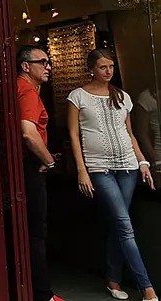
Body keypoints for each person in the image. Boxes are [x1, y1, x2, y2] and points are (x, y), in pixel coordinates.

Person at [68, 49, 156, 301]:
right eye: (103, 67)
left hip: (128, 167)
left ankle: (113, 280)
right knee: (124, 225)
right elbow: (74, 135)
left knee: (120, 224)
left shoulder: (122, 96)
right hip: (99, 168)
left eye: (111, 66)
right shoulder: (78, 96)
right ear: (91, 69)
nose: (108, 71)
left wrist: (142, 162)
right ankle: (147, 287)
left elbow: (130, 134)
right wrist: (81, 170)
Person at [16, 46, 64, 301]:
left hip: (22, 166)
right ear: (26, 66)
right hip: (30, 167)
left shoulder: (18, 88)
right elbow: (28, 132)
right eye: (43, 62)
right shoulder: (27, 92)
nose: (48, 66)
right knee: (36, 233)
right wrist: (49, 161)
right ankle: (43, 295)